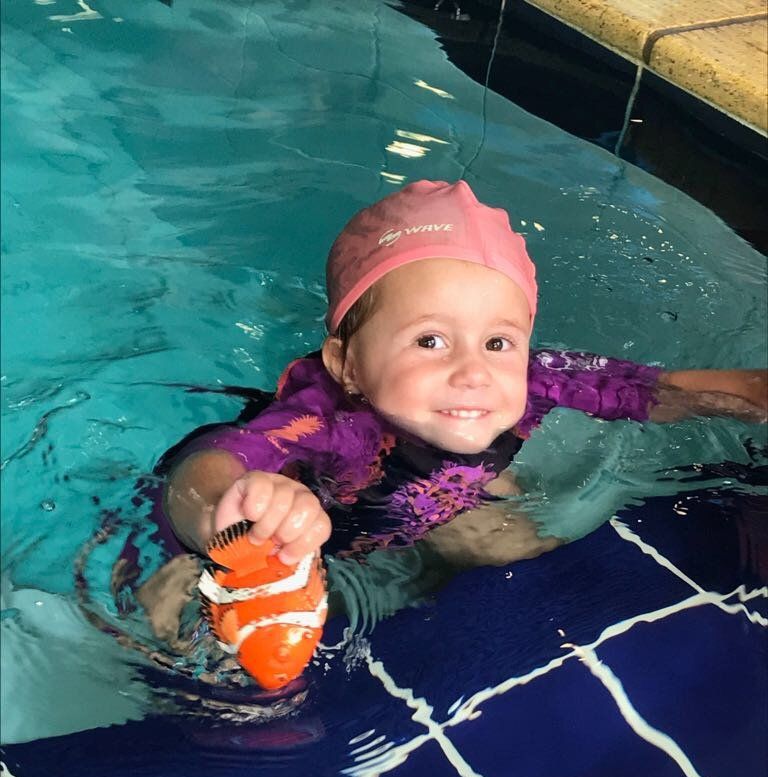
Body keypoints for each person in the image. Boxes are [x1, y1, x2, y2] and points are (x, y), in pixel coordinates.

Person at [160, 180, 766, 594]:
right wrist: (225, 514)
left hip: (432, 486)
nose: (474, 372)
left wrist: (750, 394)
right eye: (430, 340)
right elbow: (216, 459)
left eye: (498, 342)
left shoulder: (533, 380)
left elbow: (649, 391)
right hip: (339, 516)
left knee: (516, 548)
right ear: (348, 365)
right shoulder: (330, 422)